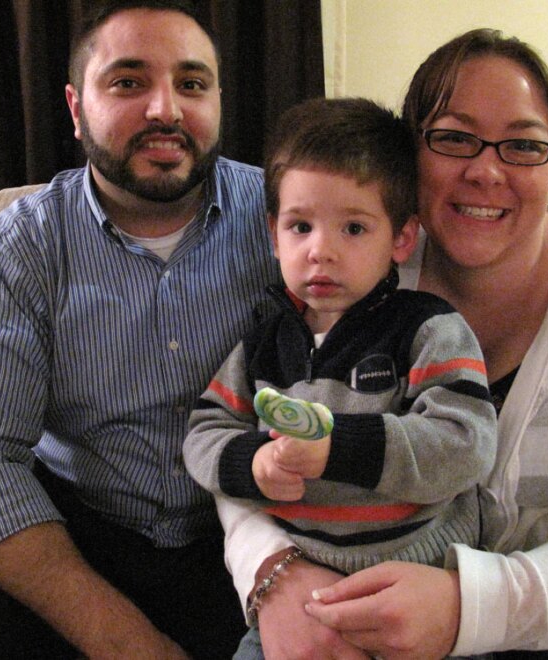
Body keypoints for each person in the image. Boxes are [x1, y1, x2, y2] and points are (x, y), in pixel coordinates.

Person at [218, 28, 548, 659]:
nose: (486, 170)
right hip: (357, 599)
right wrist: (276, 575)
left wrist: (471, 607)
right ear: (408, 160)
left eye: (523, 145)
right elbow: (250, 436)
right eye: (454, 138)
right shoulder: (354, 267)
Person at [0, 2, 282, 658]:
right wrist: (124, 641)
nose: (165, 110)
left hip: (250, 527)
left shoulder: (290, 221)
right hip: (75, 529)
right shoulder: (21, 249)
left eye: (192, 83)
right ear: (75, 107)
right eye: (128, 82)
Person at [181, 97, 497, 659]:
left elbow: (466, 442)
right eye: (299, 226)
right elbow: (204, 430)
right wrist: (250, 463)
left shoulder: (425, 327)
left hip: (421, 583)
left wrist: (334, 451)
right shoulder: (263, 345)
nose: (320, 251)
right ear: (274, 236)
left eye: (353, 227)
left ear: (401, 239)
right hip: (300, 588)